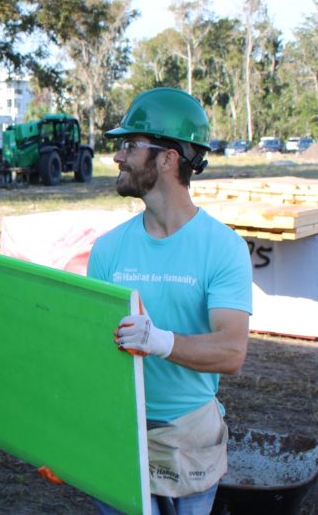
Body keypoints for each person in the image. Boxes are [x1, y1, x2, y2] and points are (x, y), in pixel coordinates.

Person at [88, 88, 252, 515]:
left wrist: (160, 342)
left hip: (188, 441)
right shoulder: (109, 249)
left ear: (168, 158)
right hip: (119, 437)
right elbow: (95, 355)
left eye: (130, 145)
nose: (118, 157)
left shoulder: (222, 247)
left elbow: (232, 351)